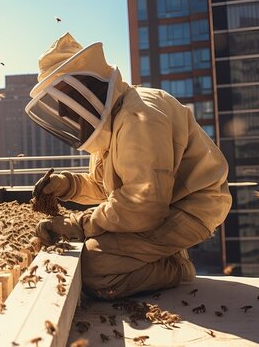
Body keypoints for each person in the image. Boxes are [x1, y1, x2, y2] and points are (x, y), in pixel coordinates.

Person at [25, 33, 232, 299]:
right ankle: (160, 252)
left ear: (85, 86)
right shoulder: (112, 122)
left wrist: (80, 223)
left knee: (94, 267)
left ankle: (177, 267)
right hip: (163, 204)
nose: (64, 113)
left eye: (65, 100)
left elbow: (142, 205)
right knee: (95, 246)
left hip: (191, 207)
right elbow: (107, 187)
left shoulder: (139, 117)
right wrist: (67, 185)